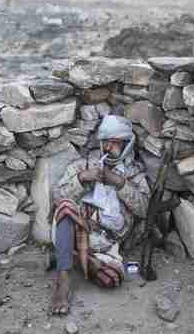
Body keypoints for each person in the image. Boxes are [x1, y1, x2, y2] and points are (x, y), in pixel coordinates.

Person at [50, 115, 151, 315]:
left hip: (106, 242)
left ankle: (72, 255)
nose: (108, 148)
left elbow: (144, 209)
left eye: (115, 143)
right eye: (106, 142)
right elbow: (58, 196)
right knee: (66, 207)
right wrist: (82, 178)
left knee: (112, 278)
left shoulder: (135, 174)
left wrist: (119, 183)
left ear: (127, 144)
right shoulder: (85, 164)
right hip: (75, 225)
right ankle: (63, 279)